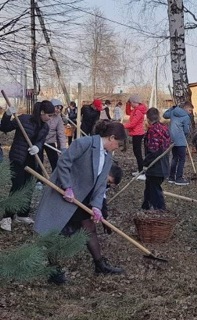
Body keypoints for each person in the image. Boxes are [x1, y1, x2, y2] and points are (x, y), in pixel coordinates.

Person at [33, 121, 127, 284]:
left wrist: (97, 206)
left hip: (83, 198)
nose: (117, 147)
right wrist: (67, 186)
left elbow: (101, 183)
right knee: (55, 232)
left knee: (90, 228)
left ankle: (100, 265)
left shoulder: (108, 156)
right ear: (111, 137)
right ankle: (54, 272)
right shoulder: (84, 143)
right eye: (117, 143)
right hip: (64, 196)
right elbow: (64, 163)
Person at [0, 100, 55, 231]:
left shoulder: (45, 127)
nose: (51, 118)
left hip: (33, 160)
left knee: (29, 187)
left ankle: (22, 214)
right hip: (18, 158)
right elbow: (5, 128)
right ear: (42, 112)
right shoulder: (23, 119)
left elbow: (41, 141)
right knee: (17, 186)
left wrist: (37, 146)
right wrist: (7, 115)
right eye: (49, 115)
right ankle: (7, 217)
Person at [141, 108, 171, 210]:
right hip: (163, 163)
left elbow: (153, 150)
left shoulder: (153, 130)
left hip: (156, 166)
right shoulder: (164, 128)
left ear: (148, 118)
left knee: (155, 189)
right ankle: (146, 206)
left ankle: (160, 210)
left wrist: (145, 164)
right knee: (149, 186)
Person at [164, 102, 193, 186]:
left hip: (172, 139)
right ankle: (179, 178)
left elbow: (165, 115)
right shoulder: (186, 117)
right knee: (182, 159)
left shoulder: (173, 112)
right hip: (181, 141)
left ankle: (171, 177)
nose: (190, 112)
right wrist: (184, 136)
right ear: (185, 108)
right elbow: (186, 130)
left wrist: (171, 108)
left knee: (174, 158)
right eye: (189, 110)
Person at [40, 99, 68, 171]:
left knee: (54, 161)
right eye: (57, 108)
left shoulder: (58, 118)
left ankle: (55, 178)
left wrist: (63, 147)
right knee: (38, 161)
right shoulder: (43, 115)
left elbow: (61, 133)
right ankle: (38, 180)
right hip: (39, 140)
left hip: (50, 141)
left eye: (60, 108)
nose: (58, 110)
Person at [124, 94, 147, 178]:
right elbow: (128, 112)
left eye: (131, 103)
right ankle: (140, 170)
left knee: (138, 153)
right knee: (136, 152)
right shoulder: (135, 110)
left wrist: (122, 125)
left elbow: (133, 124)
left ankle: (142, 172)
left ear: (134, 102)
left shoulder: (138, 111)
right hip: (135, 133)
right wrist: (127, 104)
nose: (130, 105)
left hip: (138, 133)